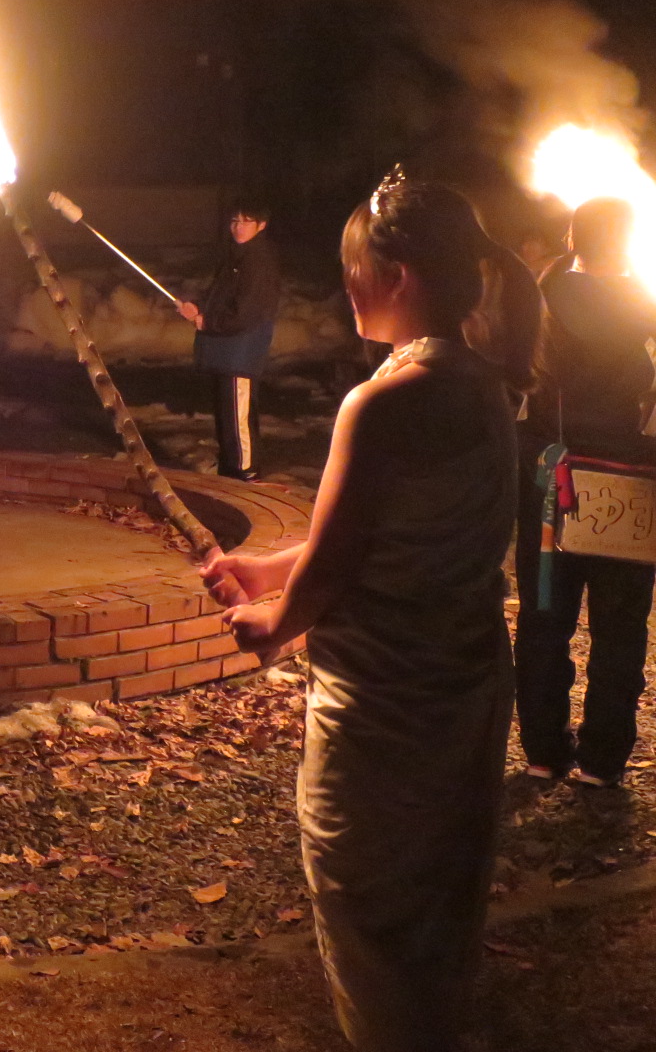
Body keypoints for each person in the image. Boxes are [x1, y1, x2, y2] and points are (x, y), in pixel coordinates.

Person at [200, 172, 540, 1052]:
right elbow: (368, 532)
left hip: (384, 707)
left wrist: (275, 623)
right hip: (461, 687)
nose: (345, 284)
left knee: (370, 909)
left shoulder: (385, 402)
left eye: (356, 267)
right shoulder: (481, 384)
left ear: (400, 275)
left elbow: (341, 559)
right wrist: (270, 566)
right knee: (435, 906)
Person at [513, 196, 656, 787]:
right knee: (621, 627)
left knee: (546, 617)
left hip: (555, 485)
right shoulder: (648, 307)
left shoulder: (539, 306)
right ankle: (602, 759)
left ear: (573, 238)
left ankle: (543, 749)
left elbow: (519, 395)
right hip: (633, 490)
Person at [177, 201, 282, 480]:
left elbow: (245, 311)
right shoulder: (237, 256)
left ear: (261, 225)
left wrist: (208, 321)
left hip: (241, 352)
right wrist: (198, 307)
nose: (238, 227)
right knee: (227, 417)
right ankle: (230, 471)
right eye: (234, 221)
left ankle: (246, 474)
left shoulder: (258, 261)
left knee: (238, 419)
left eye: (246, 221)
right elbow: (220, 295)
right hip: (227, 351)